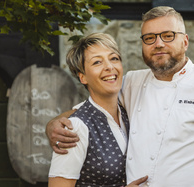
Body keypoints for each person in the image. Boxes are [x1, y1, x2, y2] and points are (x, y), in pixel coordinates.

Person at [47, 6, 194, 187]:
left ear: (185, 41)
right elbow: (90, 109)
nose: (159, 43)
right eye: (150, 38)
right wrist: (54, 125)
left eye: (168, 35)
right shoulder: (132, 82)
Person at [48, 33, 147, 187]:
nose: (109, 66)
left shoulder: (130, 112)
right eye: (97, 62)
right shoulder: (76, 128)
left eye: (114, 58)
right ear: (83, 78)